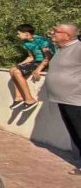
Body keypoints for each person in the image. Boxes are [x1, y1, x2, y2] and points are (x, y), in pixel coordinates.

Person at [43, 23, 81, 175]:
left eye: (56, 31)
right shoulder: (61, 49)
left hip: (76, 100)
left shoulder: (78, 48)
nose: (52, 33)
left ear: (67, 35)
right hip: (63, 99)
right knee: (74, 133)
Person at [8, 24, 55, 110]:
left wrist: (38, 70)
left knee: (17, 72)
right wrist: (19, 64)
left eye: (19, 33)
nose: (17, 35)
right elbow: (31, 57)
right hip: (36, 61)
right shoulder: (25, 43)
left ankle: (30, 100)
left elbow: (48, 57)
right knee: (12, 70)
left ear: (26, 33)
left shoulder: (41, 40)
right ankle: (19, 98)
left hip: (46, 62)